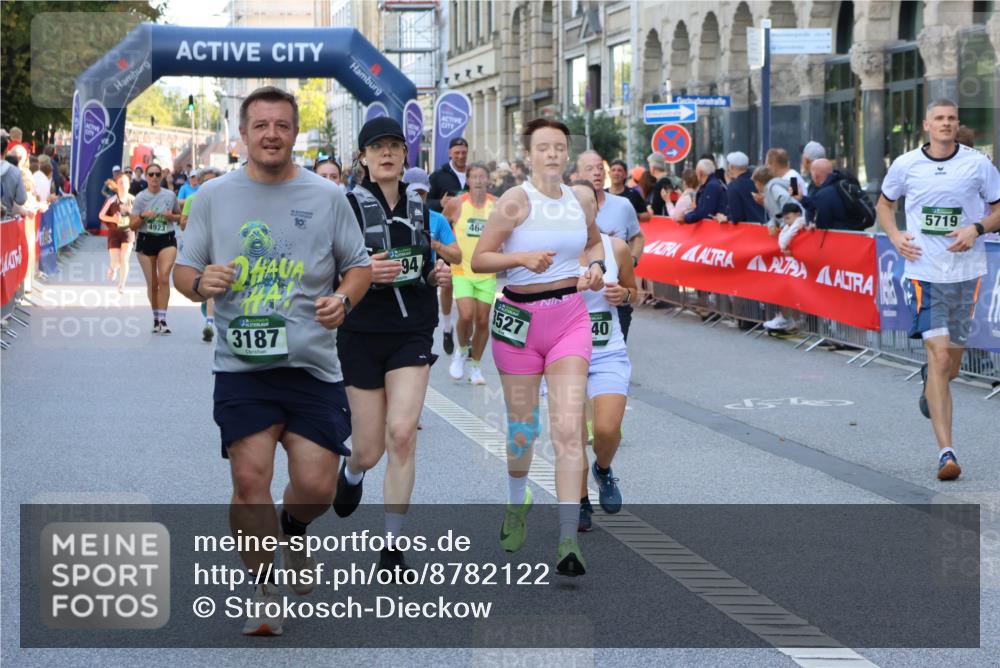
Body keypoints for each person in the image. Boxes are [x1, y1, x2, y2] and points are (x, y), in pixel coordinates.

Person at [175, 85, 373, 637]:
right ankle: (266, 586)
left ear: (294, 133)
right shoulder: (213, 197)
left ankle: (293, 528)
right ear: (243, 134)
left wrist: (344, 299)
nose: (271, 135)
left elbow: (356, 266)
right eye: (260, 125)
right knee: (248, 478)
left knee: (316, 489)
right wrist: (200, 282)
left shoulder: (328, 197)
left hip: (312, 365)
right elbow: (184, 271)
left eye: (281, 126)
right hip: (243, 367)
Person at [471, 118, 605, 577]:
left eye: (558, 147)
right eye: (542, 147)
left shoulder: (580, 198)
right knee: (523, 431)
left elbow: (591, 244)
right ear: (529, 156)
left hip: (569, 318)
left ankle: (568, 538)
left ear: (567, 153)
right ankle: (517, 500)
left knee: (569, 429)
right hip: (519, 323)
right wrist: (520, 258)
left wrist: (597, 268)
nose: (551, 154)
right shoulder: (514, 201)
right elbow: (480, 259)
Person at [331, 117, 452, 575]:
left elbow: (425, 263)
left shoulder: (424, 208)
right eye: (377, 147)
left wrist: (436, 275)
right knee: (369, 449)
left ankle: (392, 545)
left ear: (406, 156)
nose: (387, 153)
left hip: (411, 332)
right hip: (360, 332)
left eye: (395, 147)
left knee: (401, 435)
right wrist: (363, 274)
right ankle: (353, 473)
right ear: (362, 157)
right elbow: (324, 271)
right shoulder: (344, 207)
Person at [877, 98, 1000, 482]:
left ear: (956, 124)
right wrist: (895, 235)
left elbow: (998, 210)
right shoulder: (906, 164)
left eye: (951, 119)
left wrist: (975, 229)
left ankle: (931, 384)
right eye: (939, 119)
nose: (946, 124)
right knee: (939, 355)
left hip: (965, 274)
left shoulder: (978, 164)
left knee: (952, 366)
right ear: (927, 125)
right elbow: (884, 204)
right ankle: (946, 453)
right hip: (924, 272)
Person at [574, 223, 637, 531]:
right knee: (571, 433)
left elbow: (635, 293)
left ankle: (602, 469)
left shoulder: (618, 248)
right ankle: (581, 501)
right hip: (565, 348)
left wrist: (623, 294)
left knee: (607, 429)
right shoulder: (557, 247)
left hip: (606, 349)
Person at [577, 150, 645, 342]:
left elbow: (638, 237)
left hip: (614, 299)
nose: (597, 173)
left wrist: (630, 260)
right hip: (577, 305)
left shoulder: (623, 205)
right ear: (577, 175)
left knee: (610, 353)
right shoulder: (566, 208)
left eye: (600, 168)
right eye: (590, 169)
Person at [442, 162, 494, 384]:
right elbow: (440, 226)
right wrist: (445, 254)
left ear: (488, 181)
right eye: (475, 177)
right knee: (465, 315)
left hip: (487, 271)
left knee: (482, 321)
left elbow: (508, 231)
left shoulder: (497, 205)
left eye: (483, 177)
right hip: (461, 269)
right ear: (468, 181)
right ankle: (462, 350)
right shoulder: (457, 204)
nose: (479, 180)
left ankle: (475, 366)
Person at [130, 162, 181, 334]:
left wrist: (171, 216)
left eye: (157, 174)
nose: (154, 178)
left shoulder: (169, 195)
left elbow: (180, 218)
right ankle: (155, 318)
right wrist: (143, 216)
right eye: (150, 174)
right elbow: (132, 225)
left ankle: (163, 319)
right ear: (146, 176)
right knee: (153, 283)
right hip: (146, 240)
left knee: (164, 278)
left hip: (166, 238)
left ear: (162, 177)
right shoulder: (140, 198)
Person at [180, 166, 224, 341]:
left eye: (214, 180)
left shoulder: (226, 200)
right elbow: (182, 224)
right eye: (206, 181)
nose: (210, 184)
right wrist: (195, 220)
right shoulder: (192, 199)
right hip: (199, 246)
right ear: (199, 183)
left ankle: (210, 323)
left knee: (213, 282)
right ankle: (210, 318)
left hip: (219, 244)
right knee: (205, 285)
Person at [402, 167, 461, 266]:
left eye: (421, 193)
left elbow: (457, 257)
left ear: (428, 191)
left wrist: (436, 245)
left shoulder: (438, 219)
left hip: (427, 279)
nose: (416, 197)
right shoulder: (394, 217)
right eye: (412, 192)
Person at [98, 173, 134, 292]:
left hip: (128, 232)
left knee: (125, 259)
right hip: (114, 233)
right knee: (116, 262)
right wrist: (113, 219)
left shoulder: (133, 200)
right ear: (117, 185)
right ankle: (113, 268)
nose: (123, 185)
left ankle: (122, 284)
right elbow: (101, 215)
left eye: (125, 183)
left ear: (129, 185)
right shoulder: (112, 200)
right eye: (120, 183)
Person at [797, 158, 849, 230]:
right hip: (849, 234)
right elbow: (815, 206)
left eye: (811, 174)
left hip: (838, 237)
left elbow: (822, 225)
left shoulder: (823, 195)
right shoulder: (837, 184)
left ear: (816, 175)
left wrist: (812, 227)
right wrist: (802, 198)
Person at [718, 151, 766, 224]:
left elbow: (736, 217)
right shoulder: (758, 180)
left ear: (731, 167)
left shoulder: (733, 186)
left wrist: (727, 217)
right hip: (768, 227)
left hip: (750, 230)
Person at [683, 158, 727, 223]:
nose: (695, 174)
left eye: (696, 171)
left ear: (700, 173)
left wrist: (686, 217)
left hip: (714, 229)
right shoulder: (712, 183)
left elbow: (705, 213)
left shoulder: (711, 186)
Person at [647, 152, 670, 217]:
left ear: (653, 167)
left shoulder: (661, 183)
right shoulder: (671, 179)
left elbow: (656, 208)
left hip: (663, 222)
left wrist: (649, 208)